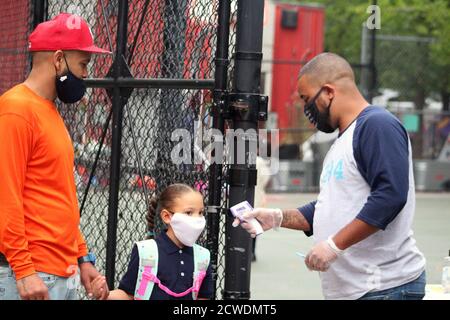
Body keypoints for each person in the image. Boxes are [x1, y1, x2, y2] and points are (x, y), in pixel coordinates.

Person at [234, 52, 427, 300]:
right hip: (360, 290)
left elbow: (391, 196)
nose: (306, 109)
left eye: (306, 99)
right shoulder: (344, 138)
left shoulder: (377, 125)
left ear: (328, 92)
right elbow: (333, 206)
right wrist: (277, 218)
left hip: (384, 287)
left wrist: (334, 246)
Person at [0, 13, 111, 300]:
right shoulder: (15, 110)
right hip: (29, 275)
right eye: (83, 64)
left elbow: (60, 194)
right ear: (59, 59)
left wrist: (82, 257)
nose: (86, 74)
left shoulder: (48, 111)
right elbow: (5, 196)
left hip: (58, 271)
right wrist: (24, 271)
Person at [91, 183, 214, 300]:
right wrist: (105, 295)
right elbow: (128, 294)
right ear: (167, 216)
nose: (197, 219)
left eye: (201, 212)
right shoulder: (145, 251)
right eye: (189, 212)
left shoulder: (203, 257)